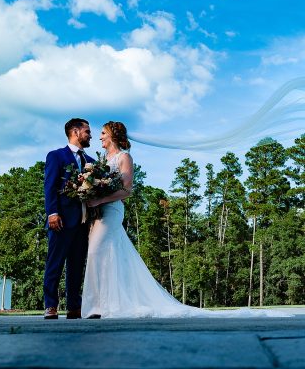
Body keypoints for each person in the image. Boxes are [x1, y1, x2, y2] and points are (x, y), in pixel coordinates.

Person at [82, 121, 290, 319]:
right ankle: (105, 305)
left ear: (113, 135)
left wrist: (100, 198)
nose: (100, 137)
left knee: (95, 251)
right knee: (106, 254)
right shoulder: (102, 161)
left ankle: (100, 306)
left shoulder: (124, 157)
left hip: (112, 210)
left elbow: (127, 190)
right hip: (98, 212)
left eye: (103, 133)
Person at [43, 118, 96, 320]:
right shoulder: (56, 156)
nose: (90, 135)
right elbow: (50, 186)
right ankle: (50, 305)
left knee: (76, 265)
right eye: (87, 131)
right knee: (55, 263)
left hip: (83, 221)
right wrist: (52, 213)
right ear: (75, 131)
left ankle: (74, 306)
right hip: (61, 220)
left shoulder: (91, 161)